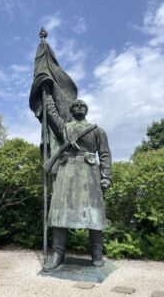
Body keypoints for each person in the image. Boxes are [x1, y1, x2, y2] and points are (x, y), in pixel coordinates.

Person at [42, 88, 112, 272]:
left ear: (86, 110)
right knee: (60, 212)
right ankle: (58, 253)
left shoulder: (98, 131)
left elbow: (105, 155)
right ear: (72, 110)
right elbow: (51, 114)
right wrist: (47, 94)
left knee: (94, 214)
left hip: (89, 174)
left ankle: (96, 252)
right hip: (67, 171)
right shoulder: (64, 127)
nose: (80, 107)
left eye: (83, 105)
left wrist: (106, 177)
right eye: (76, 105)